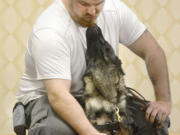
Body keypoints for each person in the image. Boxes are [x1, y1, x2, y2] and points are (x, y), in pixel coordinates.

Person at [15, 0, 171, 134]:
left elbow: (152, 50)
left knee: (155, 121)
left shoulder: (115, 10)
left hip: (97, 95)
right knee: (55, 130)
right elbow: (58, 96)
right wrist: (91, 132)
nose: (92, 11)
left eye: (98, 3)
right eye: (84, 3)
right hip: (47, 98)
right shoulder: (50, 31)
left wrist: (164, 100)